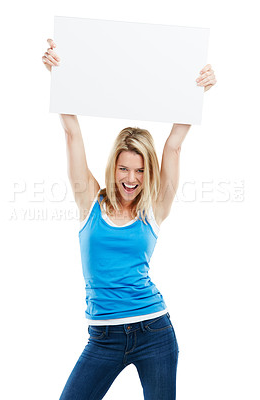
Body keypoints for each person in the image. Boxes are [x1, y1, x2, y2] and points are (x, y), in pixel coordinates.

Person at [42, 38, 216, 400]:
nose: (131, 178)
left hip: (155, 333)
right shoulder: (89, 200)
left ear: (147, 171)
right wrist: (58, 76)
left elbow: (173, 145)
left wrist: (197, 89)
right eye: (123, 168)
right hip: (102, 338)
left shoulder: (155, 207)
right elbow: (72, 133)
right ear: (114, 167)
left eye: (139, 170)